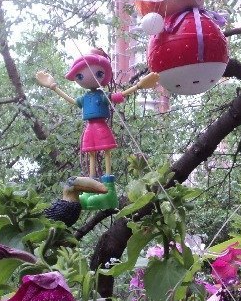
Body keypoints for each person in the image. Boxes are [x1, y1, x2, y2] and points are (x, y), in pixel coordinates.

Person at [35, 48, 158, 209]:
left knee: (106, 152)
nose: (88, 77)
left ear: (104, 74)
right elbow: (72, 100)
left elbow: (119, 95)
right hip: (90, 128)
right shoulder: (84, 98)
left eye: (98, 73)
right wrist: (53, 87)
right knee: (91, 153)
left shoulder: (102, 95)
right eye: (79, 76)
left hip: (101, 126)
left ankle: (108, 189)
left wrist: (138, 86)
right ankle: (91, 187)